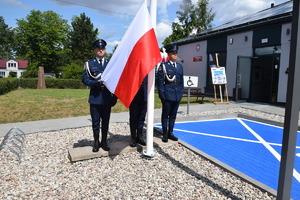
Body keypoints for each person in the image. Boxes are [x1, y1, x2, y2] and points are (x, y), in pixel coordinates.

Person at [82, 39, 116, 152]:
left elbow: (116, 80)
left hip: (107, 98)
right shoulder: (89, 64)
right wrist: (93, 83)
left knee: (105, 122)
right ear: (95, 50)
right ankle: (96, 142)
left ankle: (104, 141)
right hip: (95, 98)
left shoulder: (110, 64)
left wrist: (114, 96)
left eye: (102, 49)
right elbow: (84, 79)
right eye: (98, 49)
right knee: (96, 122)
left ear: (105, 50)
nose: (100, 50)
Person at [157, 44, 184, 143]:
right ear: (169, 54)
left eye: (176, 53)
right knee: (165, 114)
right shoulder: (163, 66)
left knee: (173, 115)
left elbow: (181, 81)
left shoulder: (180, 67)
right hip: (168, 94)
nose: (175, 55)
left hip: (177, 94)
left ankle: (170, 132)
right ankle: (164, 133)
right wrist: (162, 94)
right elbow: (160, 82)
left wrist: (181, 93)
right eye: (173, 53)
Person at [129, 76, 147, 147]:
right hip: (134, 94)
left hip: (145, 94)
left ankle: (139, 136)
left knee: (142, 117)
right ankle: (133, 137)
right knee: (133, 117)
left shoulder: (148, 67)